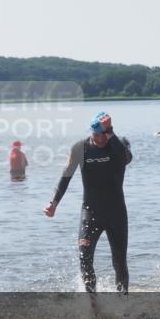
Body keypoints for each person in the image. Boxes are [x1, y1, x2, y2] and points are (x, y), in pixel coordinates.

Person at [43, 112, 133, 294]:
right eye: (96, 134)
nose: (99, 139)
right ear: (91, 131)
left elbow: (126, 159)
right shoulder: (80, 148)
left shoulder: (118, 144)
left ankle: (123, 303)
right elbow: (65, 177)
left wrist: (110, 132)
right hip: (91, 212)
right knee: (84, 257)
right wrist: (54, 203)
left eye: (103, 134)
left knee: (119, 262)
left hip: (116, 213)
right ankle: (93, 303)